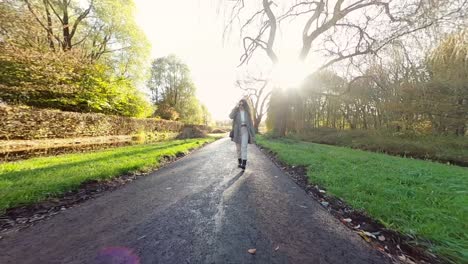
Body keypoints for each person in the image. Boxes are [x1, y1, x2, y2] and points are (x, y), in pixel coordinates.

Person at [229, 98, 256, 170]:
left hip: (245, 130)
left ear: (245, 105)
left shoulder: (247, 113)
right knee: (238, 148)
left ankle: (244, 163)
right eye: (240, 104)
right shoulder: (236, 112)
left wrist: (253, 135)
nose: (241, 105)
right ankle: (239, 161)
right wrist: (235, 107)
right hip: (237, 131)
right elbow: (230, 116)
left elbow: (250, 124)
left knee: (244, 147)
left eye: (242, 104)